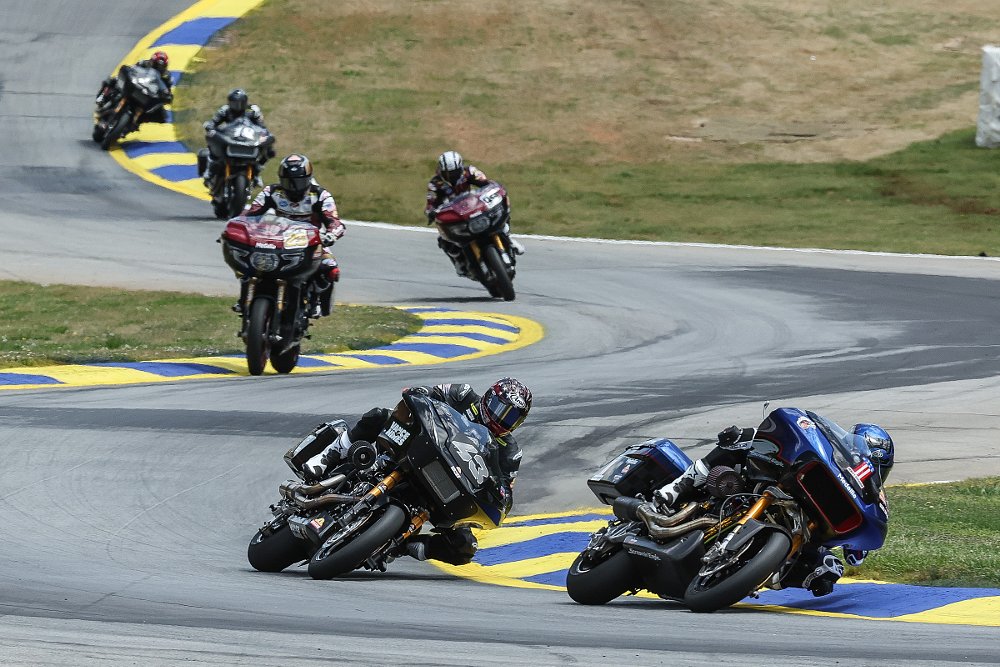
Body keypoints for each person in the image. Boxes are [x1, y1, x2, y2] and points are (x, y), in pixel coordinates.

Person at [303, 378, 532, 565]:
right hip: (416, 448)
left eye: (512, 416)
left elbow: (506, 495)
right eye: (501, 409)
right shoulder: (463, 394)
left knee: (465, 547)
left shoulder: (510, 452)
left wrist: (500, 495)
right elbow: (430, 393)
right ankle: (330, 454)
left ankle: (402, 545)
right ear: (489, 398)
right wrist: (420, 391)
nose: (502, 418)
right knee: (380, 415)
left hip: (446, 485)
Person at [654, 421, 894, 597]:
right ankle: (677, 488)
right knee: (739, 438)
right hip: (770, 485)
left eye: (878, 466)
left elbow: (856, 556)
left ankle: (764, 572)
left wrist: (856, 543)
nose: (870, 467)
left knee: (831, 569)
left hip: (806, 528)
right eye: (867, 459)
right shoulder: (833, 452)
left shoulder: (874, 497)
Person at [241, 154, 344, 317]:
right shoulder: (271, 192)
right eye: (288, 181)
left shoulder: (321, 195)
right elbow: (250, 215)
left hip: (310, 242)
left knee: (330, 267)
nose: (294, 186)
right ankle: (245, 299)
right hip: (276, 240)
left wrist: (331, 235)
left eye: (299, 181)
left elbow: (335, 222)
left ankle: (316, 300)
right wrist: (243, 229)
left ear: (308, 178)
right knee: (250, 261)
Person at [424, 150, 524, 276]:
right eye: (448, 173)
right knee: (443, 239)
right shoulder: (435, 184)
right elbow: (430, 202)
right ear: (441, 171)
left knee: (497, 213)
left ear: (460, 167)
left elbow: (486, 183)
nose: (452, 176)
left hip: (473, 206)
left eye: (454, 172)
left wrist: (493, 188)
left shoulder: (469, 172)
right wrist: (431, 212)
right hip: (454, 215)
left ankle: (508, 238)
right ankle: (459, 262)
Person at [202, 89, 273, 187]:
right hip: (230, 138)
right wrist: (210, 127)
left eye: (240, 103)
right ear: (229, 103)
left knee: (269, 149)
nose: (237, 106)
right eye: (234, 103)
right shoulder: (224, 110)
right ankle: (210, 170)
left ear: (245, 102)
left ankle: (256, 172)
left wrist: (264, 135)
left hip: (247, 139)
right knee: (212, 142)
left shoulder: (252, 111)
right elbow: (213, 122)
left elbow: (261, 127)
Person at [95, 51, 173, 123]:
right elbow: (133, 68)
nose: (158, 68)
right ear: (151, 62)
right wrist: (129, 73)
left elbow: (167, 90)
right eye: (156, 65)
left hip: (149, 93)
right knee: (114, 79)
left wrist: (167, 96)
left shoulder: (166, 77)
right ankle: (102, 96)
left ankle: (135, 122)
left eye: (161, 67)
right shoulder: (144, 63)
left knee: (161, 115)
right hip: (136, 84)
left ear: (165, 67)